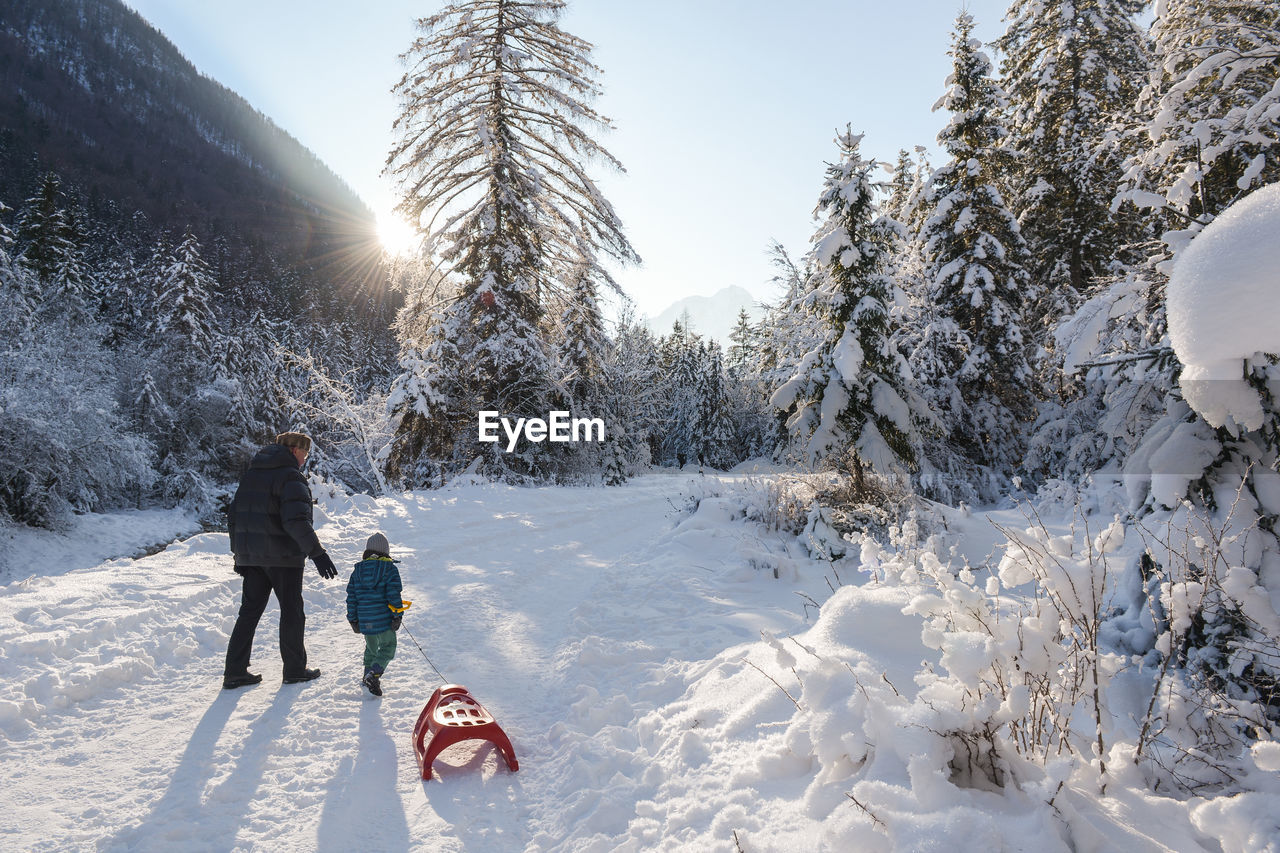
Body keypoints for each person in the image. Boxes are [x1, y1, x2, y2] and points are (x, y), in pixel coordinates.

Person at [223, 432, 338, 689]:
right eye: (305, 454)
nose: (305, 460)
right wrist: (317, 552)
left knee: (249, 612)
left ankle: (234, 671)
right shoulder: (289, 476)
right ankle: (295, 670)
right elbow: (295, 520)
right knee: (292, 611)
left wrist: (240, 554)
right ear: (295, 450)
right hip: (283, 558)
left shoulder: (252, 474)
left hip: (253, 558)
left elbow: (234, 516)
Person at [346, 532, 408, 698]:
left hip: (365, 620)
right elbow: (394, 594)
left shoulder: (357, 572)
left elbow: (351, 597)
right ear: (385, 552)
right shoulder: (389, 570)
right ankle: (373, 675)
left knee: (371, 648)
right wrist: (397, 615)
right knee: (388, 647)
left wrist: (353, 619)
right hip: (384, 620)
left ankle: (366, 673)